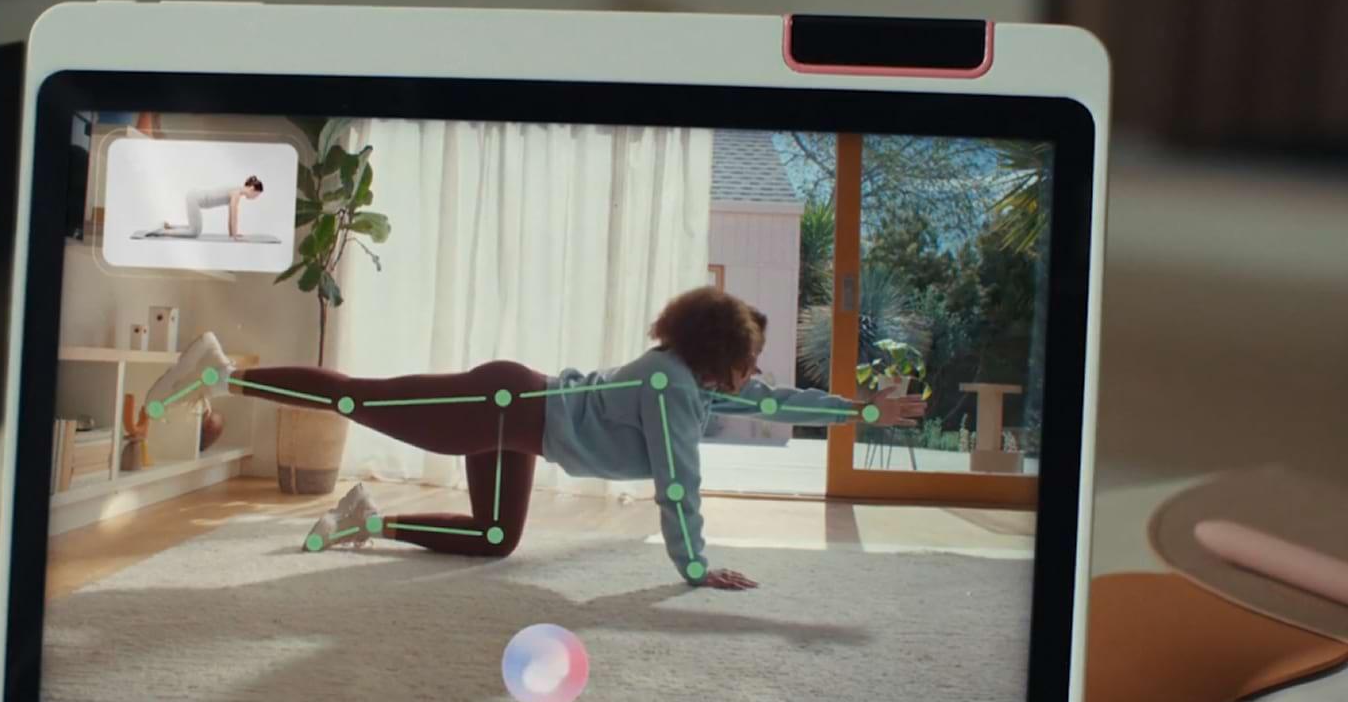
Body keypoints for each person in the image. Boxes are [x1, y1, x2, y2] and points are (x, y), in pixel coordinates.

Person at [141, 287, 924, 590]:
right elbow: (677, 487)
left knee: (494, 539)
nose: (753, 373)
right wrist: (694, 568)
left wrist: (862, 413)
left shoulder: (693, 381)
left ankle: (364, 521)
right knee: (360, 398)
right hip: (503, 404)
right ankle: (221, 374)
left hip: (522, 425)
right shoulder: (671, 390)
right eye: (747, 358)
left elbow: (780, 401)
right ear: (719, 353)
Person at [148, 175, 264, 238]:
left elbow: (231, 216)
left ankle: (168, 227)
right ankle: (161, 232)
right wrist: (234, 235)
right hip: (194, 198)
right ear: (252, 189)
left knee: (193, 228)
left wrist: (232, 234)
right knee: (194, 232)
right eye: (257, 195)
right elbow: (234, 216)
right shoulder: (236, 193)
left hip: (194, 196)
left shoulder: (236, 191)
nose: (256, 197)